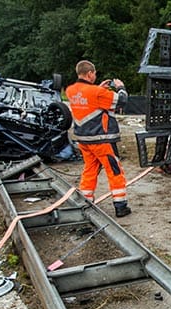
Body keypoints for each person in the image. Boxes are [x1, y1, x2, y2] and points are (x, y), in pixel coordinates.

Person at [65, 60, 131, 217]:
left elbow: (88, 101)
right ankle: (120, 206)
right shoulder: (97, 93)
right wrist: (120, 87)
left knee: (89, 170)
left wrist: (98, 88)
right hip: (102, 139)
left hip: (83, 140)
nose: (95, 76)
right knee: (114, 170)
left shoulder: (70, 90)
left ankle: (85, 203)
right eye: (94, 73)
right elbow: (122, 100)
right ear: (89, 74)